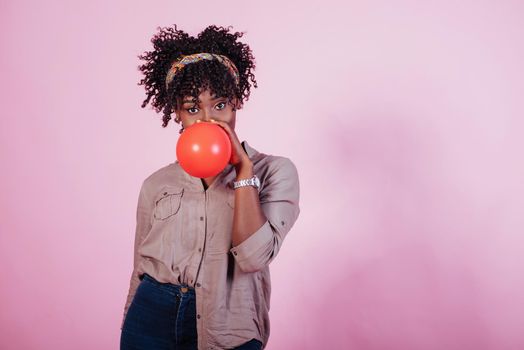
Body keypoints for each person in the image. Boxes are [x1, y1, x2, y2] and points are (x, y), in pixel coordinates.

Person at [120, 24, 301, 350]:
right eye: (192, 109)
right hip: (150, 316)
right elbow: (140, 267)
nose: (208, 121)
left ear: (236, 104)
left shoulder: (274, 171)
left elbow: (253, 258)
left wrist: (243, 169)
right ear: (177, 113)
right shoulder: (156, 184)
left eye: (219, 105)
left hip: (228, 321)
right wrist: (128, 322)